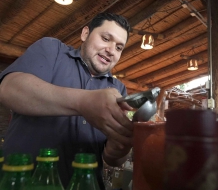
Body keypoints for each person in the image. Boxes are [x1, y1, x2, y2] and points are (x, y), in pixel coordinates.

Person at [0, 13, 133, 189]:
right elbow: (9, 89)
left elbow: (112, 159)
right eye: (106, 38)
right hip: (24, 183)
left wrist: (122, 144)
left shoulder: (119, 89)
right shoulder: (52, 50)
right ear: (85, 33)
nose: (111, 50)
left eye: (119, 47)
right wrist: (84, 102)